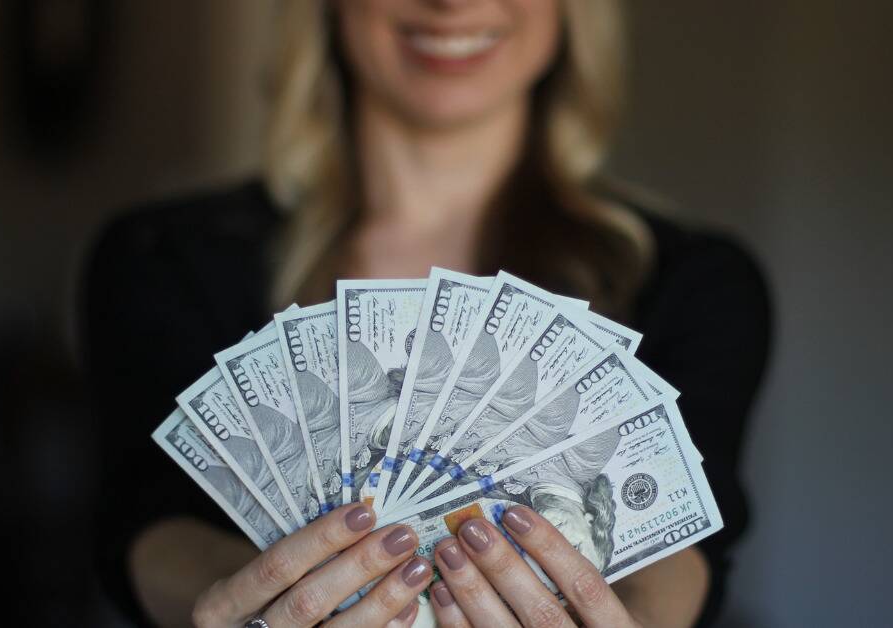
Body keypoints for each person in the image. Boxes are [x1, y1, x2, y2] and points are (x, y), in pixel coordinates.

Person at [82, 0, 771, 626]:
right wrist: (256, 597)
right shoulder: (162, 259)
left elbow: (688, 538)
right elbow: (146, 520)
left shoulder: (694, 282)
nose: (450, 4)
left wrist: (632, 622)